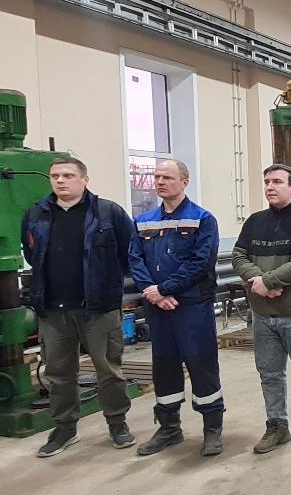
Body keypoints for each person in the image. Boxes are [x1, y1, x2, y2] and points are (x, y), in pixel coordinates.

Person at [22, 157, 136, 457]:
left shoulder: (108, 212)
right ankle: (65, 428)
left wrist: (109, 287)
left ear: (84, 179)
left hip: (98, 308)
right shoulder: (36, 213)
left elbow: (129, 253)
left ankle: (117, 422)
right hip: (53, 309)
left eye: (68, 175)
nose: (60, 181)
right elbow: (32, 253)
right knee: (58, 373)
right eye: (55, 176)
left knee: (108, 370)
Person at [128, 159, 224, 457]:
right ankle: (169, 428)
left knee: (201, 364)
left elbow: (201, 261)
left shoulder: (202, 219)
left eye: (167, 177)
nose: (160, 181)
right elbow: (135, 259)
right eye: (157, 176)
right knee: (164, 366)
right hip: (158, 308)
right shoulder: (143, 221)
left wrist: (165, 289)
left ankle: (212, 428)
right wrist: (153, 293)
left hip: (192, 305)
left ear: (184, 182)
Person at [233, 164, 291, 456]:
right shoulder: (254, 222)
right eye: (266, 182)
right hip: (263, 315)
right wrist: (258, 282)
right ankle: (277, 426)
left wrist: (269, 282)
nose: (270, 187)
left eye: (277, 181)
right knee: (270, 374)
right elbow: (239, 255)